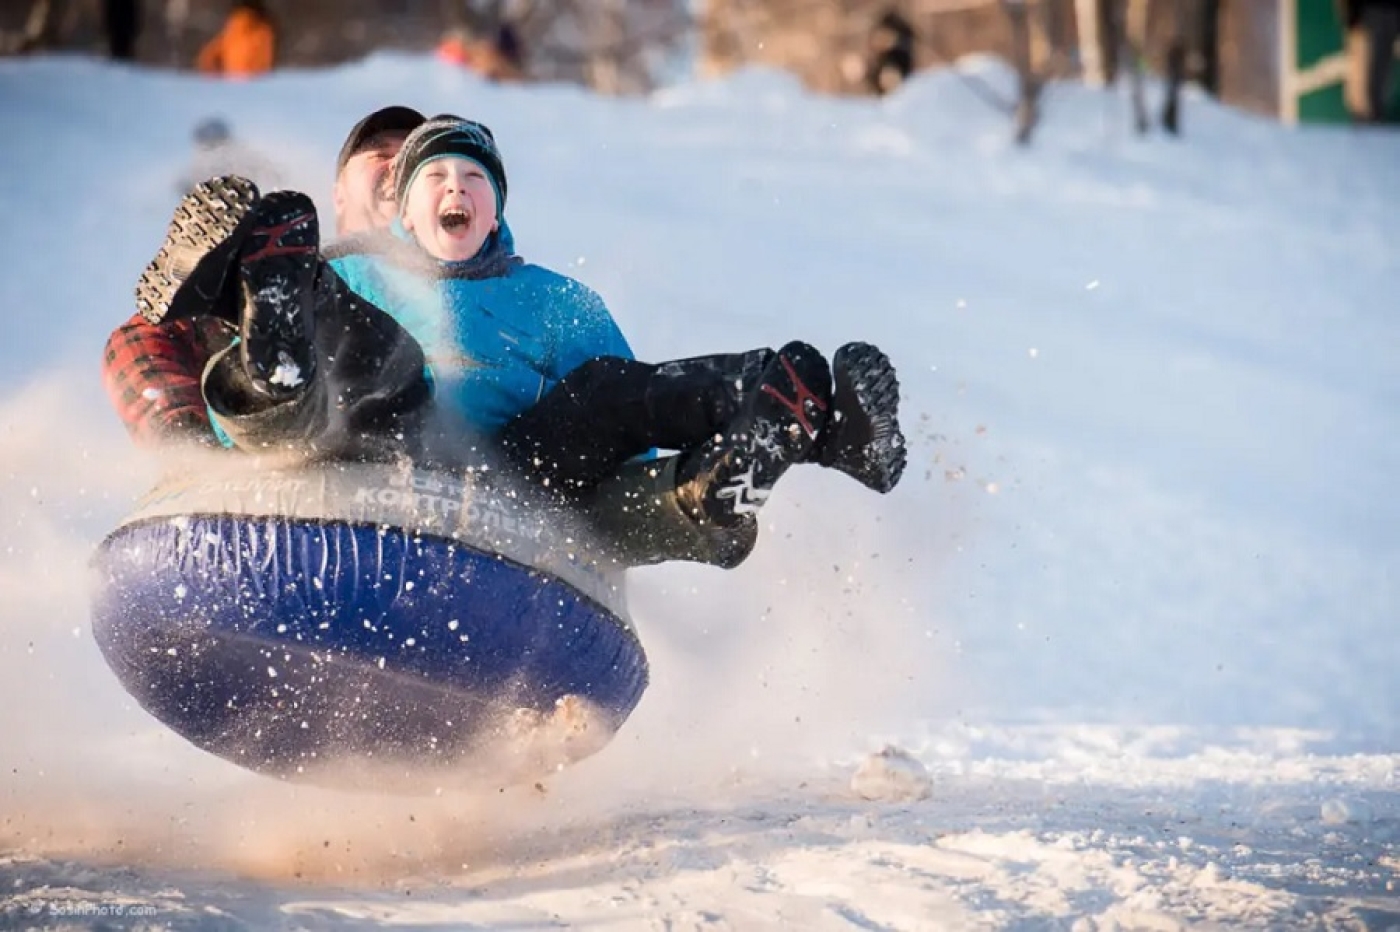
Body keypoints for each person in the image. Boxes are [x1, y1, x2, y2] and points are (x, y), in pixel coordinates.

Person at [138, 117, 904, 536]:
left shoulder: (557, 300)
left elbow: (628, 424)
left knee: (606, 389)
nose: (455, 188)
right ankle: (269, 335)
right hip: (373, 448)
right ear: (403, 211)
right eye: (434, 177)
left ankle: (789, 415)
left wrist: (673, 490)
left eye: (474, 179)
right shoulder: (358, 272)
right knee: (372, 347)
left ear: (496, 209)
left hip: (512, 479)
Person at [104, 106, 426, 449]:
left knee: (325, 306)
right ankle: (246, 328)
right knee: (271, 305)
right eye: (381, 155)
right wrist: (188, 440)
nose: (397, 166)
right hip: (278, 435)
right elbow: (141, 341)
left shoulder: (466, 283)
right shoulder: (281, 269)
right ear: (340, 197)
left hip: (407, 429)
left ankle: (275, 339)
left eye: (419, 164)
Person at [1342, 0, 1400, 123]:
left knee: (1377, 75)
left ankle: (1370, 119)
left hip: (1386, 11)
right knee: (1365, 73)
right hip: (1368, 13)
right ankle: (1366, 120)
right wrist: (1352, 16)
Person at [196, 0, 276, 79]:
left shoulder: (233, 28)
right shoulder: (262, 30)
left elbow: (207, 57)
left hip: (233, 79)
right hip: (250, 81)